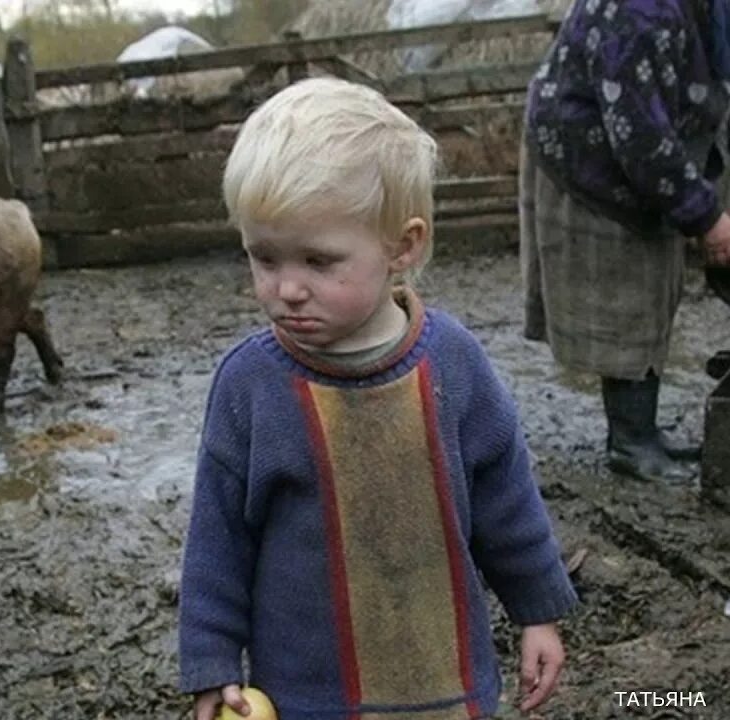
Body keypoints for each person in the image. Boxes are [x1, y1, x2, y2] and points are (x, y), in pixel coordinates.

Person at [177, 78, 579, 720]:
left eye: (318, 259)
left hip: (445, 676)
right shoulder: (250, 385)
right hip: (308, 692)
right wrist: (211, 663)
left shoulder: (453, 364)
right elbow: (218, 539)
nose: (287, 288)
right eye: (264, 257)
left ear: (404, 245)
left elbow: (508, 499)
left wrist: (537, 611)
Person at [522, 0, 730, 483]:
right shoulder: (640, 13)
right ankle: (632, 443)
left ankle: (643, 434)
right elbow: (639, 136)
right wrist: (707, 217)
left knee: (657, 287)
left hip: (652, 141)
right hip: (592, 157)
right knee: (625, 294)